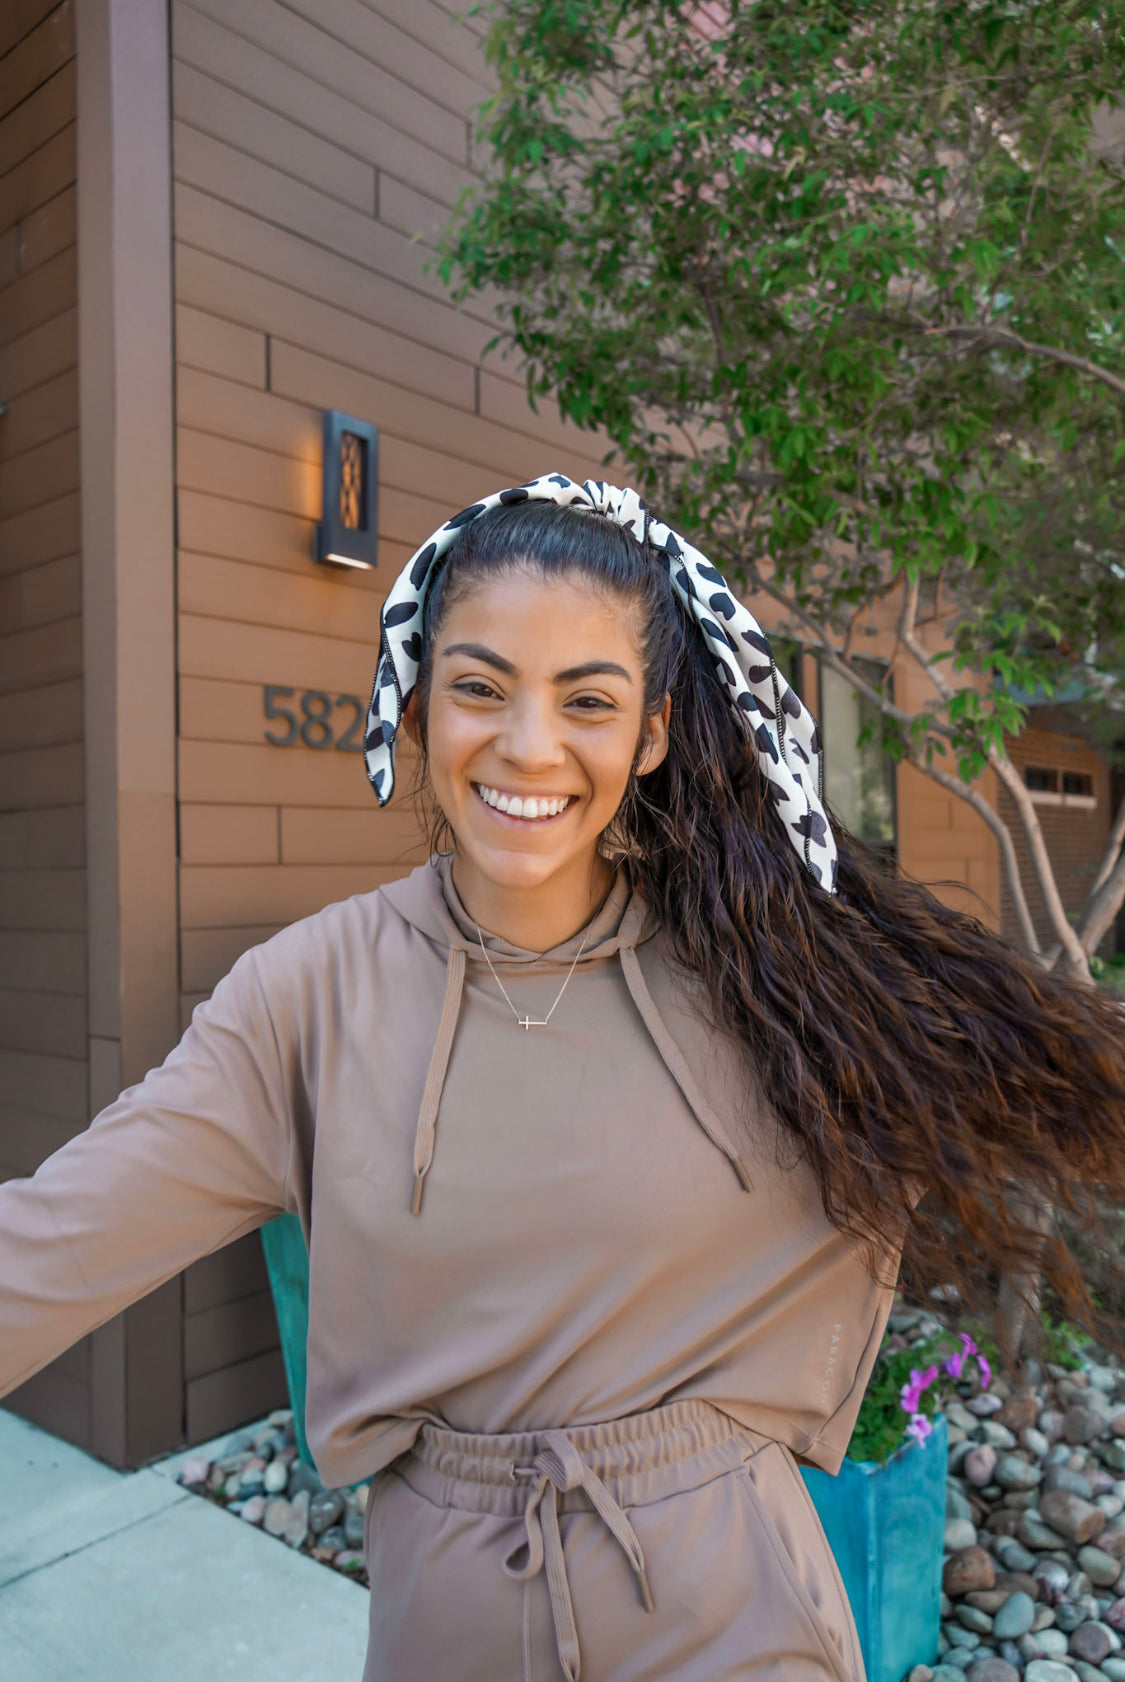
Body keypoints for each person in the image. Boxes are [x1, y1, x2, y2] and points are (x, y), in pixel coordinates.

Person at [3, 472, 1125, 1682]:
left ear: (649, 731)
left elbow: (1051, 1095)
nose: (528, 745)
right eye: (481, 686)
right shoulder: (307, 995)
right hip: (452, 1615)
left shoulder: (779, 973)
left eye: (586, 698)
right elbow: (51, 1246)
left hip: (734, 1602)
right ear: (419, 703)